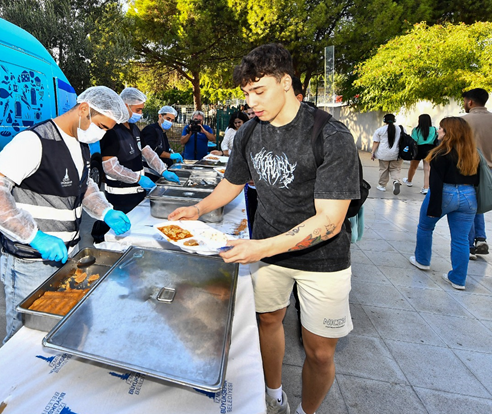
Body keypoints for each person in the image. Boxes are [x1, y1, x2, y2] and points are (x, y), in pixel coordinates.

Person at [169, 43, 360, 414]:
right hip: (268, 251)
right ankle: (274, 395)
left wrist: (262, 248)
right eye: (245, 93)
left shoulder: (330, 135)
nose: (251, 101)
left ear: (285, 82)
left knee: (320, 352)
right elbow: (233, 183)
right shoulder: (248, 133)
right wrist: (198, 207)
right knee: (268, 320)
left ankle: (309, 410)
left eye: (259, 91)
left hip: (322, 258)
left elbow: (330, 221)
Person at [0, 86, 132, 342]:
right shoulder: (34, 141)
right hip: (30, 263)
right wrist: (35, 236)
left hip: (67, 256)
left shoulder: (81, 145)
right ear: (83, 110)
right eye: (101, 126)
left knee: (57, 327)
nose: (101, 135)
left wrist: (106, 211)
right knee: (23, 337)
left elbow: (85, 186)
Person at [91, 88, 180, 243]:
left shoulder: (133, 128)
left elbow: (148, 152)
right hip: (120, 196)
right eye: (138, 109)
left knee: (137, 232)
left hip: (137, 193)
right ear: (125, 106)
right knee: (120, 234)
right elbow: (110, 167)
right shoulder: (113, 130)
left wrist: (163, 170)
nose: (141, 114)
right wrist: (138, 178)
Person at [409, 117, 479, 290]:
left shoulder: (440, 154)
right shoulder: (473, 153)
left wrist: (434, 207)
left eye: (441, 129)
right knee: (461, 239)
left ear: (449, 133)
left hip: (445, 192)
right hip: (469, 195)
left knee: (425, 227)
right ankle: (458, 279)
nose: (438, 131)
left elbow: (436, 182)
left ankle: (422, 260)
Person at [463, 88, 492, 257]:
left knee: (469, 206)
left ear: (470, 102)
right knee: (478, 205)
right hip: (490, 171)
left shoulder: (463, 121)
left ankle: (469, 246)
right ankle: (480, 237)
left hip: (471, 170)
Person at [141, 105, 183, 181]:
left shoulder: (162, 132)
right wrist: (170, 156)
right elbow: (151, 150)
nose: (170, 122)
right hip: (150, 172)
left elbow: (165, 149)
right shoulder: (151, 129)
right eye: (168, 119)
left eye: (172, 120)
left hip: (160, 171)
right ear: (160, 116)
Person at [403, 114, 437, 194]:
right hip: (429, 149)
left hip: (418, 149)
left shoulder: (416, 130)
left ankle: (409, 181)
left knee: (413, 166)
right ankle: (426, 187)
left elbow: (414, 140)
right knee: (427, 169)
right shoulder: (434, 129)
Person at [370, 114, 403, 195]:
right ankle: (396, 181)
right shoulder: (400, 129)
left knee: (384, 169)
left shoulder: (380, 130)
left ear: (384, 120)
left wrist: (373, 152)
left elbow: (376, 142)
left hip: (383, 154)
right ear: (394, 120)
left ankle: (382, 185)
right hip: (397, 153)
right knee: (395, 168)